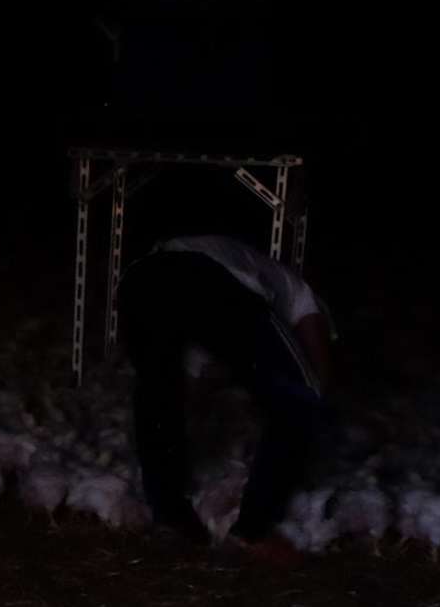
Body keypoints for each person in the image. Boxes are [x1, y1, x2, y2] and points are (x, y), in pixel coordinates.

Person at [122, 231, 333, 553]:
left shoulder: (230, 263)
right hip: (204, 277)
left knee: (159, 395)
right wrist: (316, 397)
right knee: (301, 399)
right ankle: (254, 531)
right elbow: (314, 359)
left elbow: (189, 384)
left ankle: (172, 519)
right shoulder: (299, 294)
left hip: (139, 281)